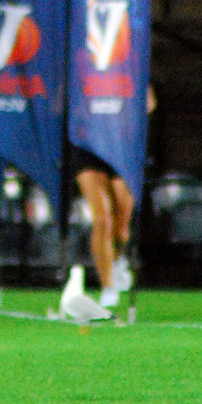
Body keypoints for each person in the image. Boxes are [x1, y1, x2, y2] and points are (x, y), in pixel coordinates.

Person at [72, 85, 156, 308]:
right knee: (102, 218)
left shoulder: (127, 68)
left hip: (121, 147)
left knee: (121, 229)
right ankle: (107, 286)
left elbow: (149, 104)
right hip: (89, 146)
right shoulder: (83, 67)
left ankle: (117, 261)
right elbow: (62, 103)